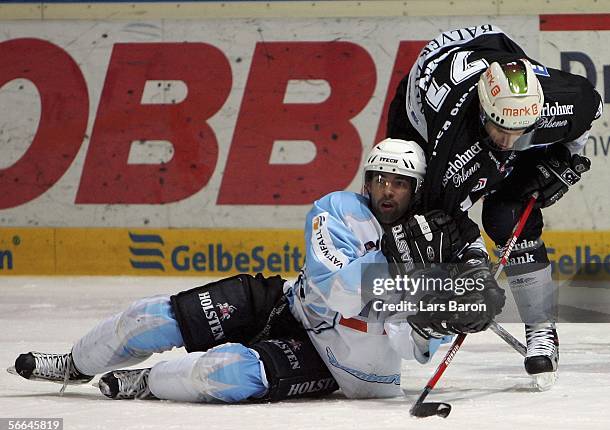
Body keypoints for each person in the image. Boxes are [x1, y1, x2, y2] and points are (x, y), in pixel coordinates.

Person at [10, 139, 504, 402]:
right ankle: (75, 363)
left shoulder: (437, 245)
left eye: (401, 182)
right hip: (291, 304)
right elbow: (334, 285)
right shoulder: (336, 209)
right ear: (367, 181)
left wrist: (442, 313)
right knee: (150, 318)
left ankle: (148, 382)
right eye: (380, 179)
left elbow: (410, 350)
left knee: (224, 372)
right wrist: (424, 289)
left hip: (340, 361)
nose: (388, 191)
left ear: (417, 188)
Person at [386, 24, 603, 387]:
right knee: (418, 229)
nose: (509, 141)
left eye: (522, 132)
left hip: (493, 48)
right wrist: (471, 279)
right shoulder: (452, 150)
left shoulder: (556, 103)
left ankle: (542, 329)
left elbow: (591, 108)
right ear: (482, 114)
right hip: (418, 108)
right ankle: (421, 315)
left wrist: (563, 160)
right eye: (501, 130)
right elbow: (447, 221)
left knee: (506, 214)